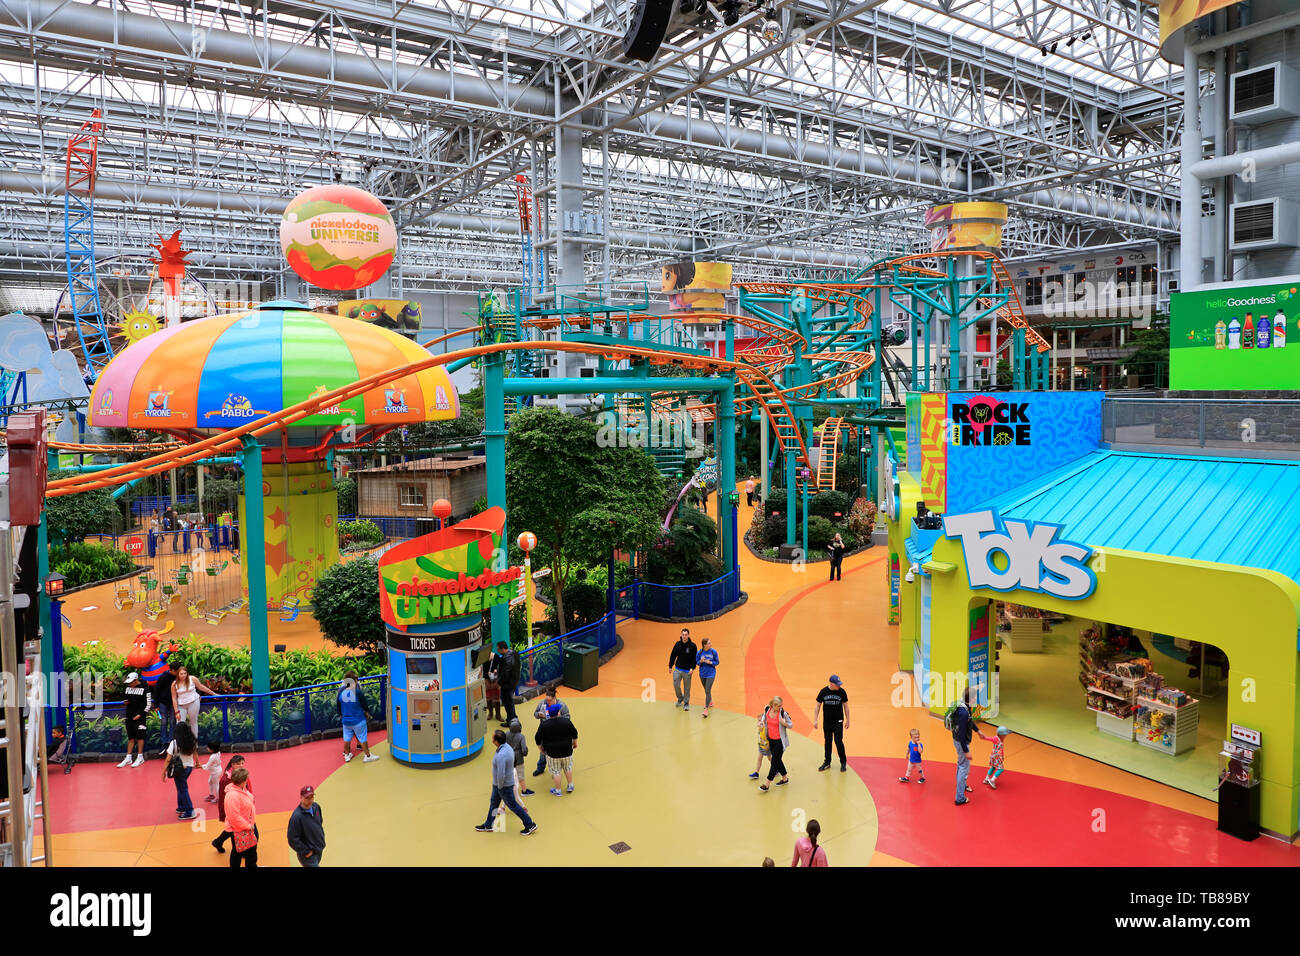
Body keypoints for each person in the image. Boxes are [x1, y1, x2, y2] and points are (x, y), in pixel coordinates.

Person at [473, 730, 538, 836]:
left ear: (496, 741)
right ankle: (488, 824)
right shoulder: (507, 747)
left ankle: (530, 824)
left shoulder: (501, 755)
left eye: (493, 737)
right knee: (494, 802)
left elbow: (501, 774)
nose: (491, 738)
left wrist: (500, 786)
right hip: (500, 784)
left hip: (503, 785)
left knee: (513, 805)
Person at [536, 702, 578, 795]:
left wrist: (541, 749)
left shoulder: (544, 724)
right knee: (567, 768)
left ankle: (558, 790)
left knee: (556, 771)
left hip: (552, 753)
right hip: (567, 750)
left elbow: (537, 738)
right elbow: (574, 733)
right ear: (558, 713)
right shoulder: (566, 722)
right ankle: (570, 785)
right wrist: (575, 743)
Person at [337, 672, 380, 763]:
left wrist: (342, 715)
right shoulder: (358, 692)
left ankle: (347, 755)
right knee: (362, 737)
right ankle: (367, 755)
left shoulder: (341, 693)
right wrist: (367, 712)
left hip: (346, 721)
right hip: (358, 720)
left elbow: (339, 706)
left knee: (347, 738)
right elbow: (364, 705)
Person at [211, 754, 248, 853]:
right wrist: (224, 813)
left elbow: (248, 789)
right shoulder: (225, 780)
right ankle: (242, 851)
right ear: (232, 765)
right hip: (234, 809)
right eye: (238, 763)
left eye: (242, 763)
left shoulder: (242, 774)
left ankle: (218, 841)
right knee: (236, 829)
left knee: (232, 829)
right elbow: (223, 798)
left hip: (242, 807)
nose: (241, 765)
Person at [813, 675, 850, 773]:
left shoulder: (842, 692)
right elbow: (817, 706)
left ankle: (843, 762)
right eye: (837, 684)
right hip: (827, 722)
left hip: (838, 721)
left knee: (838, 741)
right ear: (831, 683)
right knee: (827, 741)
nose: (839, 686)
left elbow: (846, 706)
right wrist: (815, 719)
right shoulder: (823, 692)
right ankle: (827, 762)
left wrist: (848, 720)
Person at [163, 722, 199, 820]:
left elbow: (168, 759)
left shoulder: (174, 743)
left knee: (182, 788)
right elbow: (195, 753)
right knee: (180, 786)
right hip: (189, 767)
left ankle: (189, 811)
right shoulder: (192, 741)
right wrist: (197, 763)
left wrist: (164, 772)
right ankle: (181, 806)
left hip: (179, 769)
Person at [224, 766, 259, 867]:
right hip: (240, 829)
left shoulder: (241, 789)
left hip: (244, 826)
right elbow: (234, 817)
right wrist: (249, 826)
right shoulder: (233, 796)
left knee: (239, 852)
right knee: (247, 853)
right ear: (243, 780)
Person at [531, 687, 569, 778]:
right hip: (545, 731)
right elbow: (535, 713)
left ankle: (556, 771)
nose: (547, 702)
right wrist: (538, 715)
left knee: (556, 752)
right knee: (543, 752)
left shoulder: (562, 706)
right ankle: (540, 768)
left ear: (554, 698)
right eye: (546, 700)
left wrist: (558, 718)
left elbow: (567, 718)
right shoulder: (542, 703)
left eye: (549, 700)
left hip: (557, 732)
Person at [757, 696, 792, 792]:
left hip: (780, 741)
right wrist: (761, 722)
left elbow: (791, 725)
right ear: (773, 705)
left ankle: (767, 784)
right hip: (771, 740)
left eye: (781, 705)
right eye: (779, 706)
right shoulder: (767, 709)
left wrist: (784, 723)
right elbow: (764, 718)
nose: (780, 707)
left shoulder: (783, 713)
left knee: (774, 762)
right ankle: (785, 778)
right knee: (778, 760)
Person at [117, 671, 151, 768]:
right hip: (129, 716)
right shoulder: (128, 688)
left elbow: (148, 705)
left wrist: (140, 714)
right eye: (129, 682)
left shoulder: (145, 689)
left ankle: (140, 757)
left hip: (140, 717)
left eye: (131, 682)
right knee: (130, 737)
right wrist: (126, 702)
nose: (130, 684)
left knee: (140, 737)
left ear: (136, 680)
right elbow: (127, 699)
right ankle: (128, 758)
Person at [287, 785, 326, 867]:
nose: (310, 799)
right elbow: (292, 839)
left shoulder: (316, 807)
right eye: (307, 797)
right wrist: (305, 851)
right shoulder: (296, 817)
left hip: (318, 848)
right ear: (301, 798)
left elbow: (319, 823)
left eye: (311, 796)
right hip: (308, 855)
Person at [170, 665, 213, 738]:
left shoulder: (192, 679)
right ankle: (180, 743)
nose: (183, 675)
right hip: (181, 704)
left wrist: (213, 694)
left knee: (193, 722)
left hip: (193, 702)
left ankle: (194, 743)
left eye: (185, 673)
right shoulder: (174, 684)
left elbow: (201, 687)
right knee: (180, 723)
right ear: (178, 674)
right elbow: (174, 698)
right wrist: (176, 711)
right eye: (181, 674)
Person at [951, 688, 976, 806]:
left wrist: (978, 731)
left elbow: (969, 721)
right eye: (975, 697)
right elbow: (961, 734)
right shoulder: (963, 712)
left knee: (961, 764)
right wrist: (966, 751)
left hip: (958, 740)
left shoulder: (964, 705)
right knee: (963, 767)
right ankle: (960, 798)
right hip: (961, 742)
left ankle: (961, 785)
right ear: (970, 699)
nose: (976, 699)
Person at [668, 628, 698, 712]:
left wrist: (692, 668)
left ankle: (686, 703)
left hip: (687, 671)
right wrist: (670, 666)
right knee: (676, 685)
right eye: (683, 635)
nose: (684, 636)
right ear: (681, 635)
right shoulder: (677, 644)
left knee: (687, 688)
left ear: (688, 635)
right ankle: (680, 698)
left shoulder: (693, 646)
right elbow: (673, 655)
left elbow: (694, 659)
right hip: (677, 669)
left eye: (686, 635)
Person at [153, 660, 179, 755]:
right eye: (176, 671)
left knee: (173, 721)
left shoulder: (178, 677)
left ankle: (170, 742)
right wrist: (156, 705)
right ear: (172, 670)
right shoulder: (163, 677)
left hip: (173, 703)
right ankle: (163, 743)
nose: (178, 673)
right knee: (163, 722)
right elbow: (156, 690)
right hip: (162, 703)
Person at [505, 717, 534, 800]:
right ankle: (524, 791)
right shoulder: (521, 736)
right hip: (518, 759)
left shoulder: (506, 734)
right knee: (520, 775)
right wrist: (525, 753)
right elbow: (524, 749)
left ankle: (508, 791)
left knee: (509, 774)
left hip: (508, 758)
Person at [493, 641, 519, 726]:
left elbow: (506, 673)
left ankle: (510, 721)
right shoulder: (514, 653)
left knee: (508, 702)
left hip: (507, 684)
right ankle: (513, 718)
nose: (497, 650)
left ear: (502, 649)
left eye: (498, 649)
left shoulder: (507, 658)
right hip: (513, 682)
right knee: (509, 702)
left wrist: (499, 682)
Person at [696, 638, 719, 717]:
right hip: (702, 674)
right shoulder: (700, 652)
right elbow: (697, 662)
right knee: (706, 690)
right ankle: (710, 701)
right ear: (704, 645)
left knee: (708, 690)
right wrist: (701, 661)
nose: (711, 644)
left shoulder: (713, 652)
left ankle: (706, 709)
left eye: (710, 642)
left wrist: (711, 662)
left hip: (711, 674)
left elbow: (717, 662)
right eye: (709, 643)